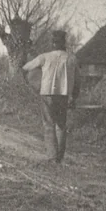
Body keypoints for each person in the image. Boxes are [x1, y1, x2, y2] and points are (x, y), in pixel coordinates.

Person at [21, 31, 80, 164]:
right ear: (64, 42)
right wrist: (74, 96)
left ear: (53, 43)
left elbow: (25, 68)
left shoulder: (44, 57)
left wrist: (34, 83)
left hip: (47, 93)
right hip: (64, 94)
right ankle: (59, 157)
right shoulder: (72, 58)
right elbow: (78, 81)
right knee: (61, 125)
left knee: (48, 124)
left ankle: (52, 157)